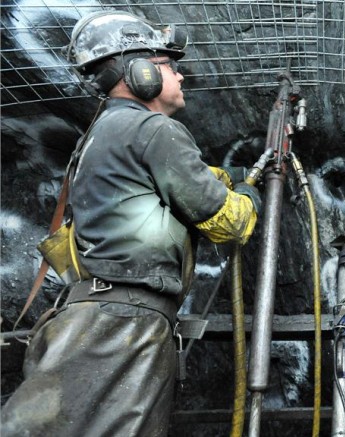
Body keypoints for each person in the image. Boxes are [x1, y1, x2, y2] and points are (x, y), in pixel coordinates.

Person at [1, 10, 262, 436]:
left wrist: (215, 179)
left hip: (93, 316)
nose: (179, 76)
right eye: (168, 66)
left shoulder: (102, 132)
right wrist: (248, 196)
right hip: (123, 324)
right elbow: (228, 224)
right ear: (140, 74)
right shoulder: (153, 129)